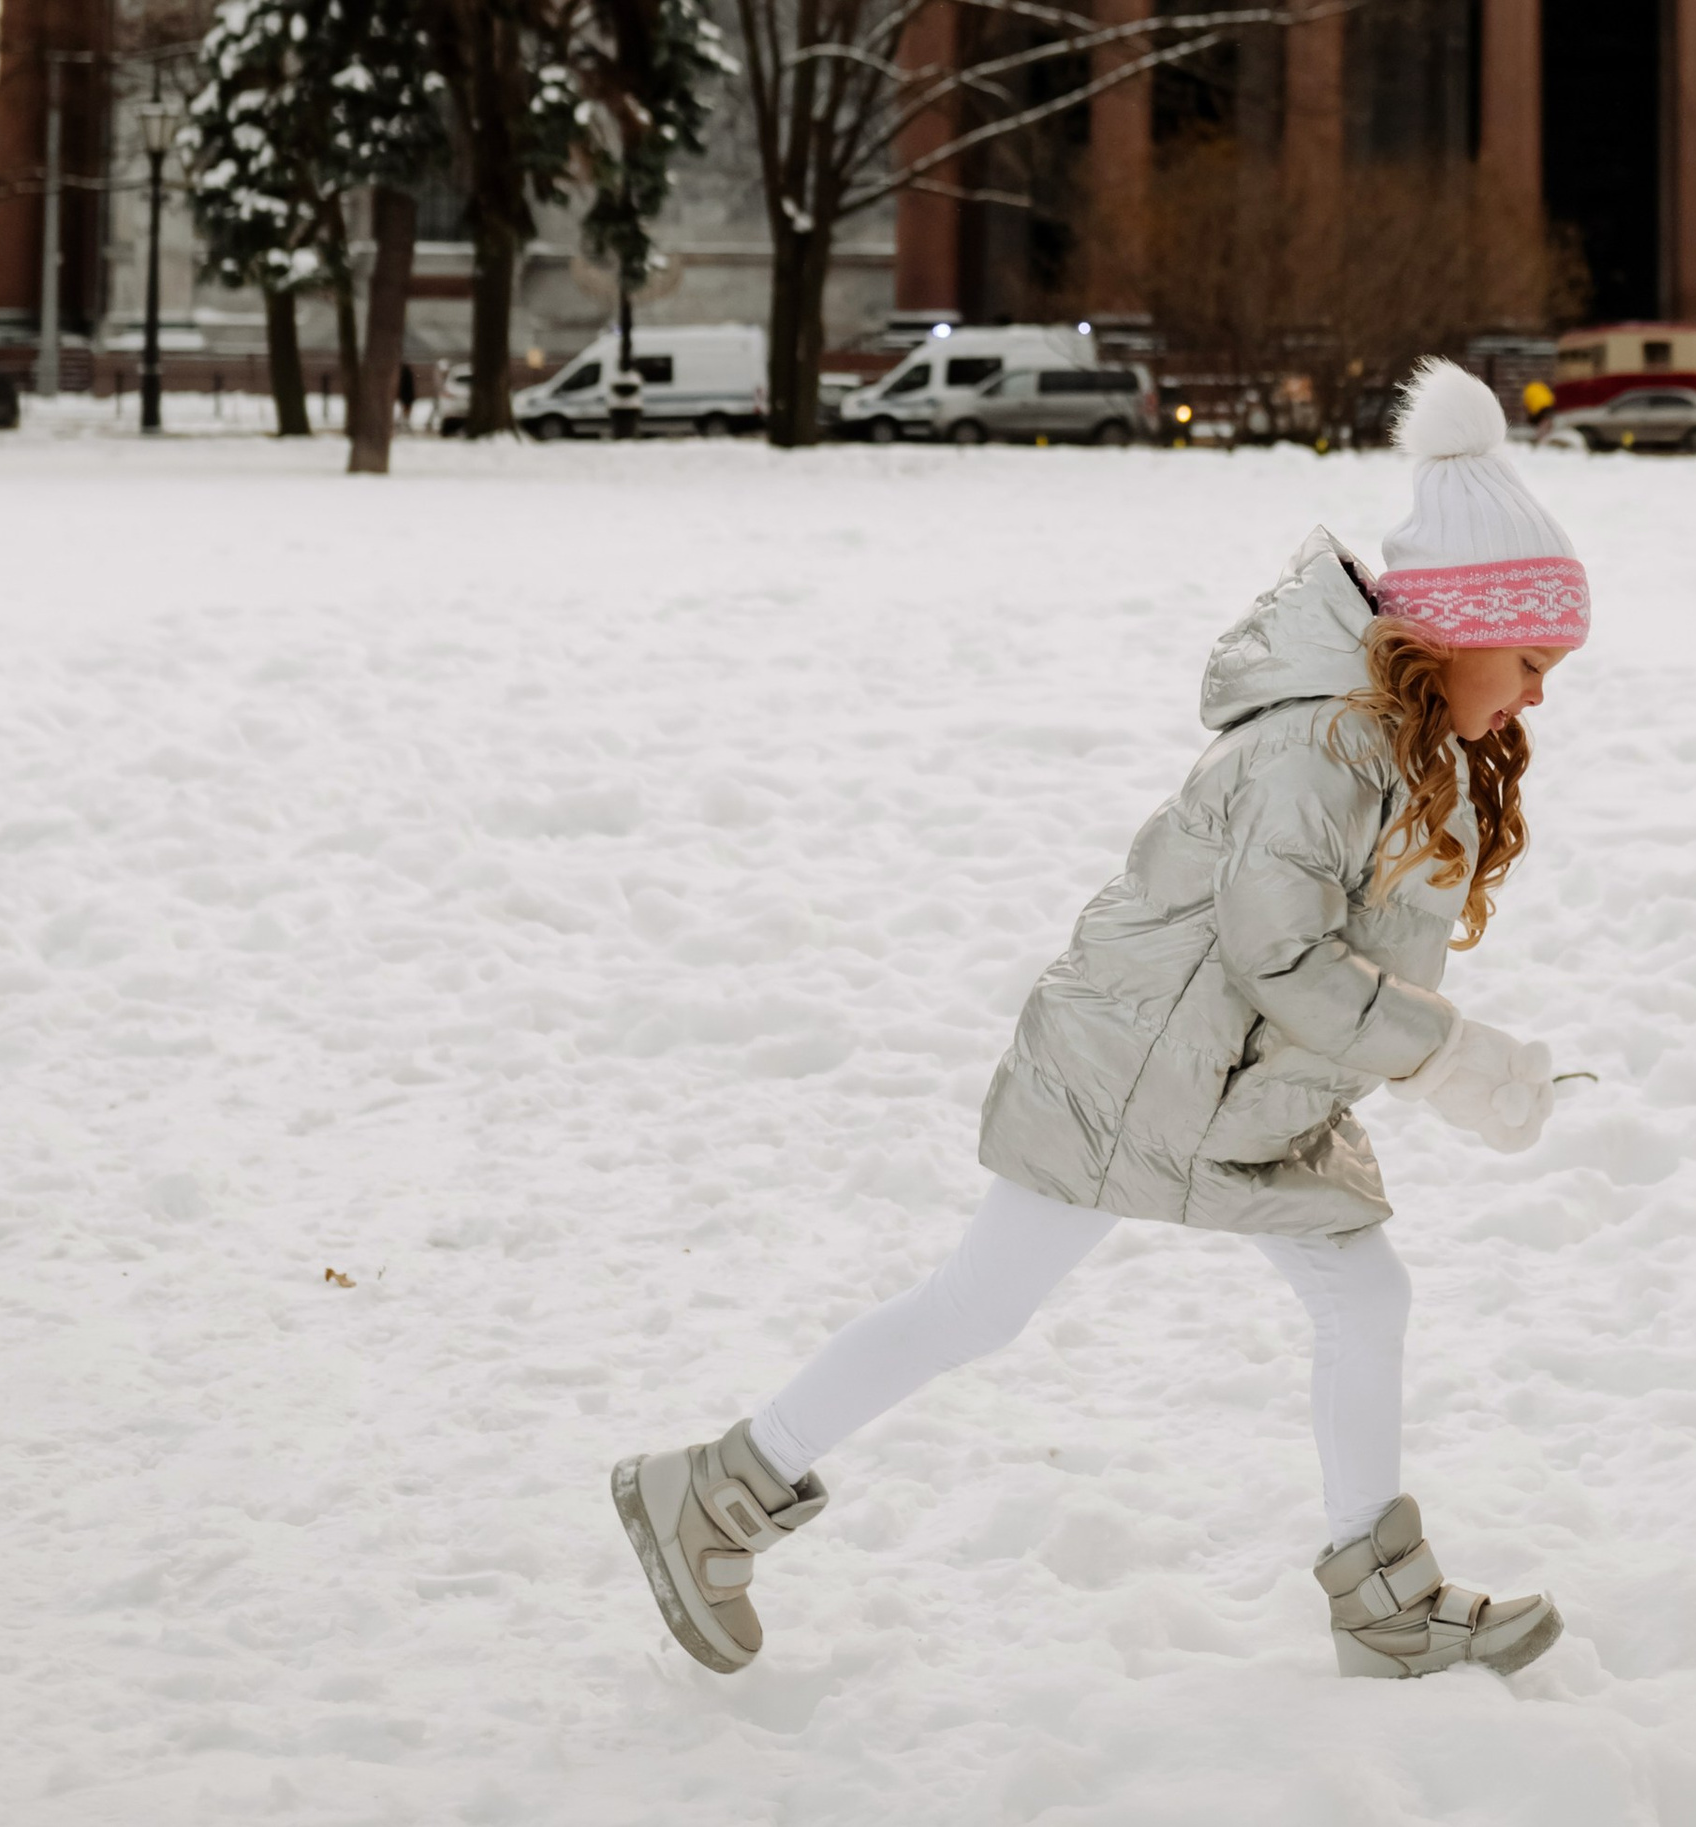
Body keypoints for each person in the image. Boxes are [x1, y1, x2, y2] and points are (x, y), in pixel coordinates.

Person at [612, 357, 1588, 1686]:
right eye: (1531, 661)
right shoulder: (1319, 751)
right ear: (1456, 635)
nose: (1538, 694)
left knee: (1362, 1292)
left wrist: (1429, 1056)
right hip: (1136, 1074)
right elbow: (1281, 956)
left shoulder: (1392, 749)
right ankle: (715, 1491)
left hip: (1238, 1088)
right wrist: (1451, 1057)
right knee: (979, 1305)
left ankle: (1381, 1602)